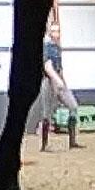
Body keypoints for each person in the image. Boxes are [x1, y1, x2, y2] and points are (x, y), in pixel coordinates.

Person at [38, 19, 82, 151]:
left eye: (57, 31)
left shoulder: (57, 47)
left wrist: (63, 81)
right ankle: (44, 145)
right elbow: (48, 67)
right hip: (49, 82)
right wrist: (58, 81)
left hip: (60, 81)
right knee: (47, 114)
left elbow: (59, 68)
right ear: (50, 33)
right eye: (53, 31)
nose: (55, 33)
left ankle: (72, 142)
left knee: (73, 106)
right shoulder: (47, 47)